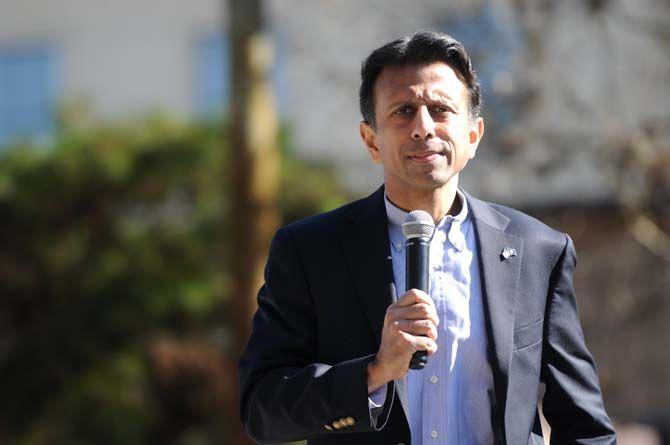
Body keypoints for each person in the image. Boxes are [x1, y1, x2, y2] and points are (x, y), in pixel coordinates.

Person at [238, 31, 616, 445]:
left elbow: (586, 428)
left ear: (473, 135)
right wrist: (375, 371)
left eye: (440, 109)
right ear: (371, 140)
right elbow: (262, 409)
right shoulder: (310, 252)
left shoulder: (537, 250)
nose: (423, 128)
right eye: (403, 111)